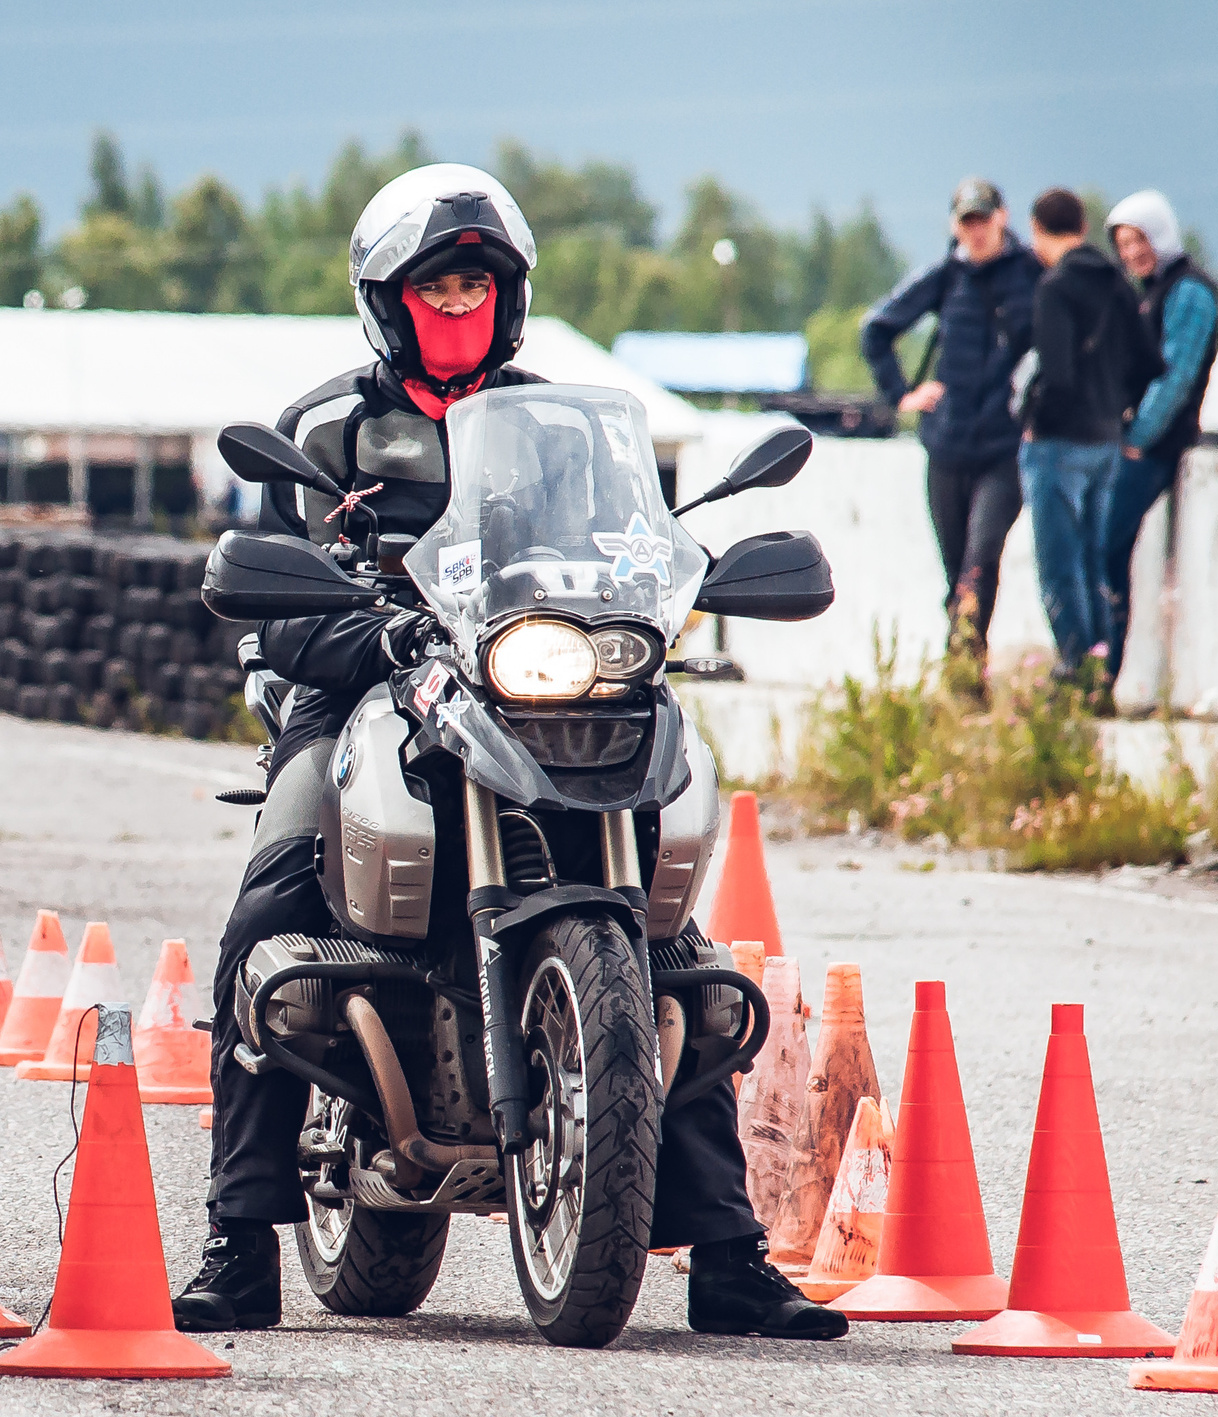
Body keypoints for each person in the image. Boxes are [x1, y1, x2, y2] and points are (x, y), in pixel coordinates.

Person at [174, 163, 845, 1342]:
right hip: (363, 689)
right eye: (434, 284)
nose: (457, 303)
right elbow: (272, 596)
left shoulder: (571, 429)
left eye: (477, 283)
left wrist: (681, 591)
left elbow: (636, 547)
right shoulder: (325, 427)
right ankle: (237, 1239)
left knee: (670, 946)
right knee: (266, 907)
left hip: (539, 687)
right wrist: (354, 620)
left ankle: (728, 1253)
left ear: (512, 294)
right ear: (386, 297)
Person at [860, 178, 1041, 698]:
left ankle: (962, 675)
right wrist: (903, 393)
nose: (976, 231)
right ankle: (965, 674)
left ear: (1002, 217)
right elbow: (876, 329)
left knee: (980, 560)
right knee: (955, 569)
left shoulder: (1032, 275)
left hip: (1003, 449)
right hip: (946, 445)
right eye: (967, 222)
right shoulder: (946, 277)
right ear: (954, 226)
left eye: (983, 219)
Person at [1017, 187, 1155, 699]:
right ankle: (1101, 669)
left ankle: (1074, 664)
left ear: (1038, 230)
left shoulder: (1055, 287)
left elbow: (1056, 370)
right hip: (1106, 439)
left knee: (1059, 559)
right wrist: (1120, 409)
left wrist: (1036, 422)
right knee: (1097, 559)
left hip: (1059, 440)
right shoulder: (1118, 284)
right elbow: (1148, 363)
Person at [1098, 189, 1218, 689]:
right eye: (1123, 244)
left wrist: (1139, 436)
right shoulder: (1147, 290)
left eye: (1139, 241)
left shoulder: (1189, 291)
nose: (1131, 253)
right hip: (1130, 439)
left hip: (1158, 445)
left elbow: (1176, 375)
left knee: (1106, 544)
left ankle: (1105, 670)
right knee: (1101, 546)